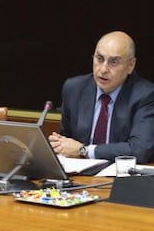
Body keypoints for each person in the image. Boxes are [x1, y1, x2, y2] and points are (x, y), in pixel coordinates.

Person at [49, 31, 154, 163]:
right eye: (99, 59)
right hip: (80, 177)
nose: (103, 69)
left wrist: (85, 151)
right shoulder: (74, 89)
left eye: (113, 62)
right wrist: (59, 145)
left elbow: (139, 150)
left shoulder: (146, 95)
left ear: (130, 66)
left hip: (122, 179)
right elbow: (67, 141)